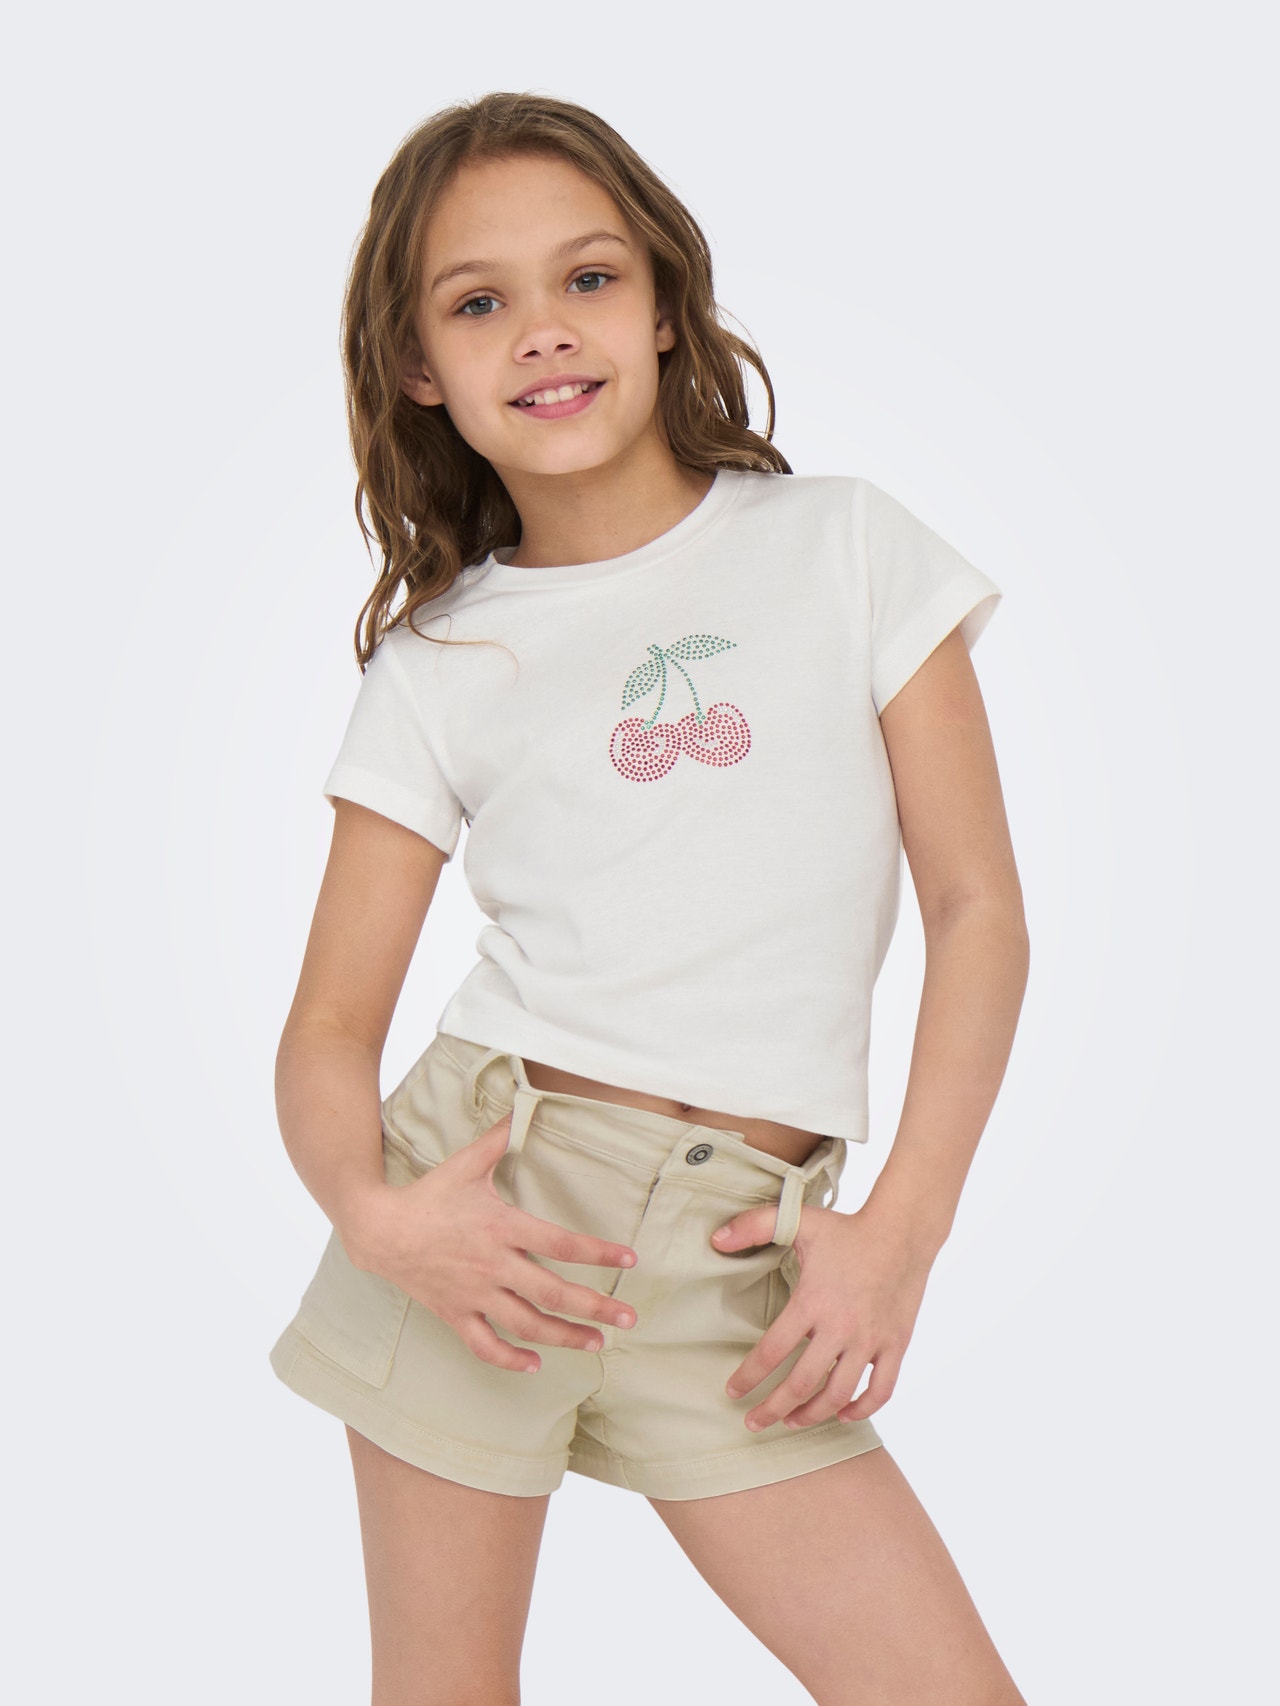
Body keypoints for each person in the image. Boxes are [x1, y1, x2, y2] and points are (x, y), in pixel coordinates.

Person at [268, 90, 1031, 1706]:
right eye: (480, 301)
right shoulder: (439, 661)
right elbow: (329, 1022)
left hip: (750, 1263)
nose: (543, 329)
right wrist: (389, 1221)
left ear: (667, 303)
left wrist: (901, 1231)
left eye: (589, 278)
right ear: (420, 367)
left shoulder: (846, 546)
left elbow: (980, 912)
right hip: (490, 1222)